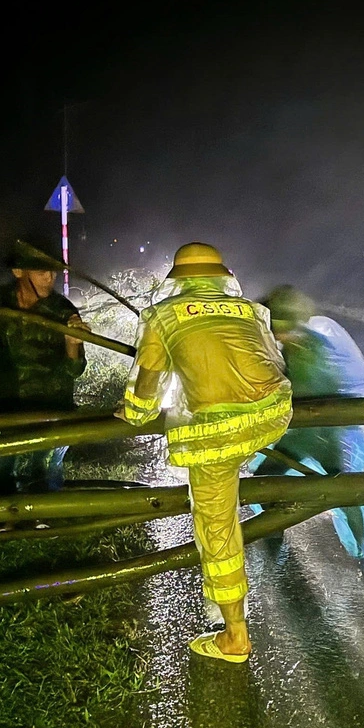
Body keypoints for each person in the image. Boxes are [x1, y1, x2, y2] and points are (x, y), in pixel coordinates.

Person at [119, 242, 292, 664]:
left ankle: (235, 636)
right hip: (273, 413)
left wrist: (131, 411)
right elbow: (273, 362)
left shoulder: (162, 316)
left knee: (217, 527)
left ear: (177, 280)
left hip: (217, 432)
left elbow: (144, 400)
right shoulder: (251, 310)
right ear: (221, 277)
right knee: (234, 463)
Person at [249, 285, 364, 579]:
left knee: (343, 489)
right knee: (261, 481)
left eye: (281, 327)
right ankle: (273, 529)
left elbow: (311, 385)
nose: (277, 333)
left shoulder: (313, 346)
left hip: (329, 434)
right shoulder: (282, 347)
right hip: (298, 433)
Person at [0, 238, 88, 493]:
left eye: (53, 272)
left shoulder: (62, 312)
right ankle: (0, 522)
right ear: (18, 272)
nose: (49, 278)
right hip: (4, 405)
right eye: (42, 271)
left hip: (50, 408)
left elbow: (75, 370)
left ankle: (41, 521)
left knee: (42, 474)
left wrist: (72, 343)